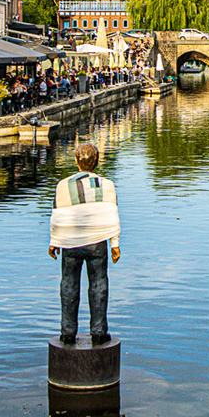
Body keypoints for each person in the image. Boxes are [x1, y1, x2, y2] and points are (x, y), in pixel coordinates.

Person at [49, 141, 120, 346]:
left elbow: (57, 215)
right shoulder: (107, 184)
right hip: (98, 241)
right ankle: (99, 331)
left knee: (69, 284)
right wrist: (114, 245)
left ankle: (67, 332)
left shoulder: (63, 185)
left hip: (70, 241)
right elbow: (111, 214)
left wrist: (54, 242)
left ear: (76, 161)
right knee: (99, 283)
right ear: (97, 162)